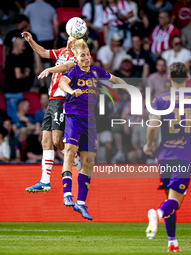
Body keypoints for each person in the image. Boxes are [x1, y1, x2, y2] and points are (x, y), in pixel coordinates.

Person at [143, 62, 191, 252]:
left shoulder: (160, 100)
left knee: (169, 198)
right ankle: (156, 214)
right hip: (185, 154)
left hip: (164, 155)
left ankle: (172, 242)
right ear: (187, 78)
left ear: (170, 78)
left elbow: (152, 127)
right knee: (176, 201)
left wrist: (148, 145)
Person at [57, 39, 128, 220]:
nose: (86, 58)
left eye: (88, 55)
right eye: (82, 55)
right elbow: (62, 83)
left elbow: (113, 78)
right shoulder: (73, 71)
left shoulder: (96, 71)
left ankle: (81, 203)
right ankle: (67, 194)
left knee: (89, 162)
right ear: (77, 58)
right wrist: (72, 92)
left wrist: (128, 87)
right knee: (70, 153)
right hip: (73, 117)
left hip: (90, 121)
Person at [22, 27, 83, 193]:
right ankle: (44, 181)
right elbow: (42, 52)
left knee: (57, 140)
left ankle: (78, 161)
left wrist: (50, 69)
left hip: (62, 99)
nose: (70, 40)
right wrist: (30, 40)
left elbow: (67, 67)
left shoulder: (77, 56)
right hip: (52, 100)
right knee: (46, 141)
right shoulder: (62, 51)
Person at [4, 36, 33, 120]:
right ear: (17, 45)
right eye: (23, 45)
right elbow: (18, 75)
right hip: (15, 93)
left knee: (10, 117)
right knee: (16, 118)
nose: (24, 48)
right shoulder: (15, 58)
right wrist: (27, 75)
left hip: (8, 93)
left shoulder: (8, 57)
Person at [3, 14, 41, 78]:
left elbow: (36, 52)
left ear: (26, 22)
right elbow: (5, 48)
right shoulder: (11, 34)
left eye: (19, 22)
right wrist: (4, 62)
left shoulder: (32, 36)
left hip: (27, 65)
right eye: (16, 22)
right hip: (13, 65)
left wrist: (38, 66)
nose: (17, 24)